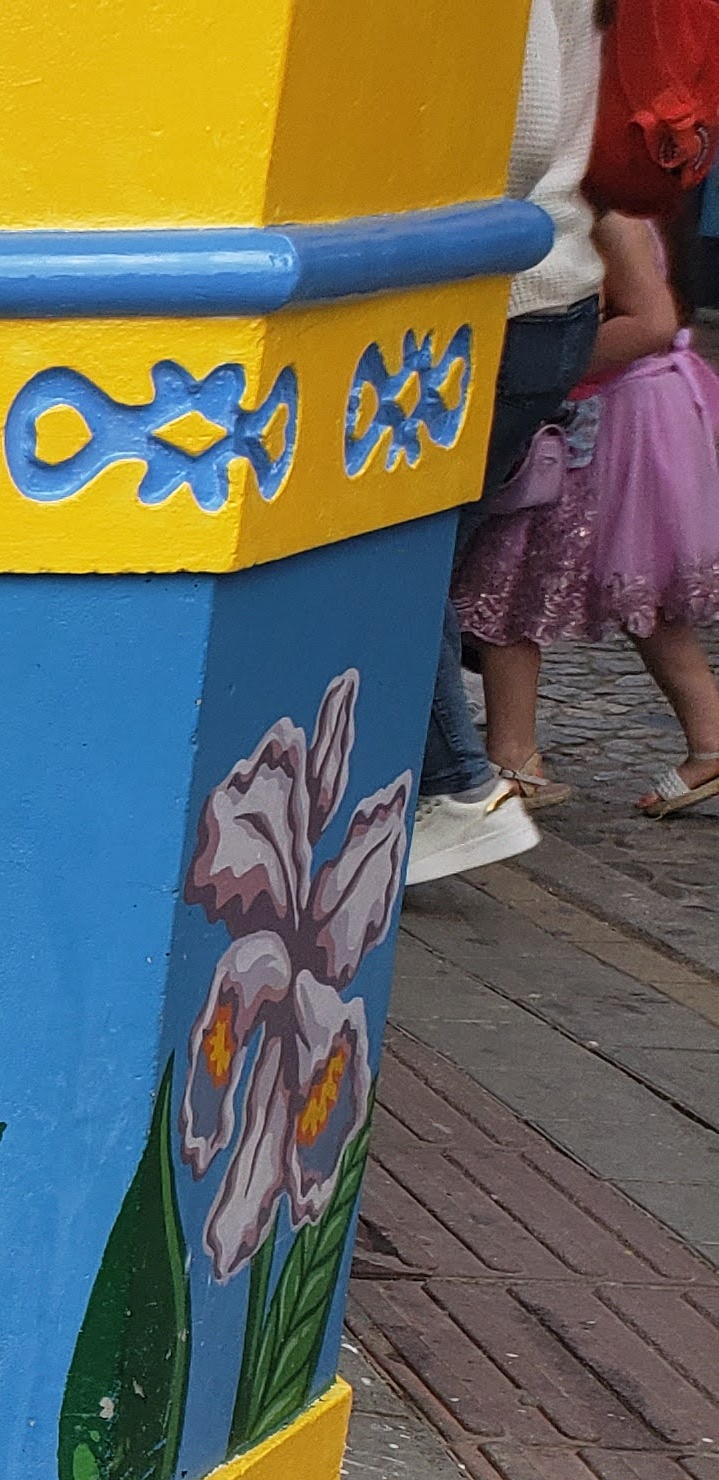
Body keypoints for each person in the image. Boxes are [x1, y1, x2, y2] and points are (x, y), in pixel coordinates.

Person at [413, 0, 606, 884]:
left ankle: (460, 788)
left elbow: (519, 139)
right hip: (523, 300)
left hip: (509, 302)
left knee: (399, 560)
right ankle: (440, 786)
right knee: (408, 556)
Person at [451, 210, 719, 818]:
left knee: (507, 579)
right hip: (624, 412)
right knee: (641, 593)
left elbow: (651, 321)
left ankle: (514, 759)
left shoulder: (607, 214)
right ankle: (710, 740)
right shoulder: (620, 209)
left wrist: (545, 368)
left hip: (603, 420)